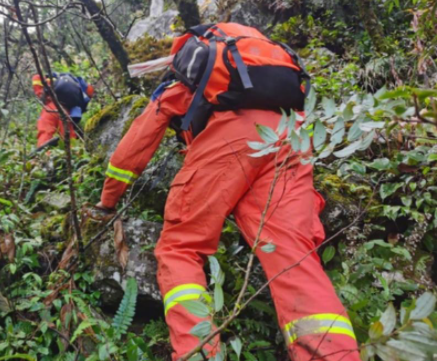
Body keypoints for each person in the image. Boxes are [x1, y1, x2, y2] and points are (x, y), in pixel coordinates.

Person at [94, 23, 359, 361]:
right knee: (294, 258)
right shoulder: (264, 72)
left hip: (233, 137)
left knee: (180, 248)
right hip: (291, 135)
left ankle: (198, 353)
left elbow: (134, 147)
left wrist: (108, 199)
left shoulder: (185, 79)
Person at [32, 73, 94, 150]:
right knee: (70, 137)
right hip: (66, 110)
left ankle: (46, 159)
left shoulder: (49, 110)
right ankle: (75, 155)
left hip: (52, 109)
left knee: (46, 133)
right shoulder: (66, 105)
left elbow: (44, 136)